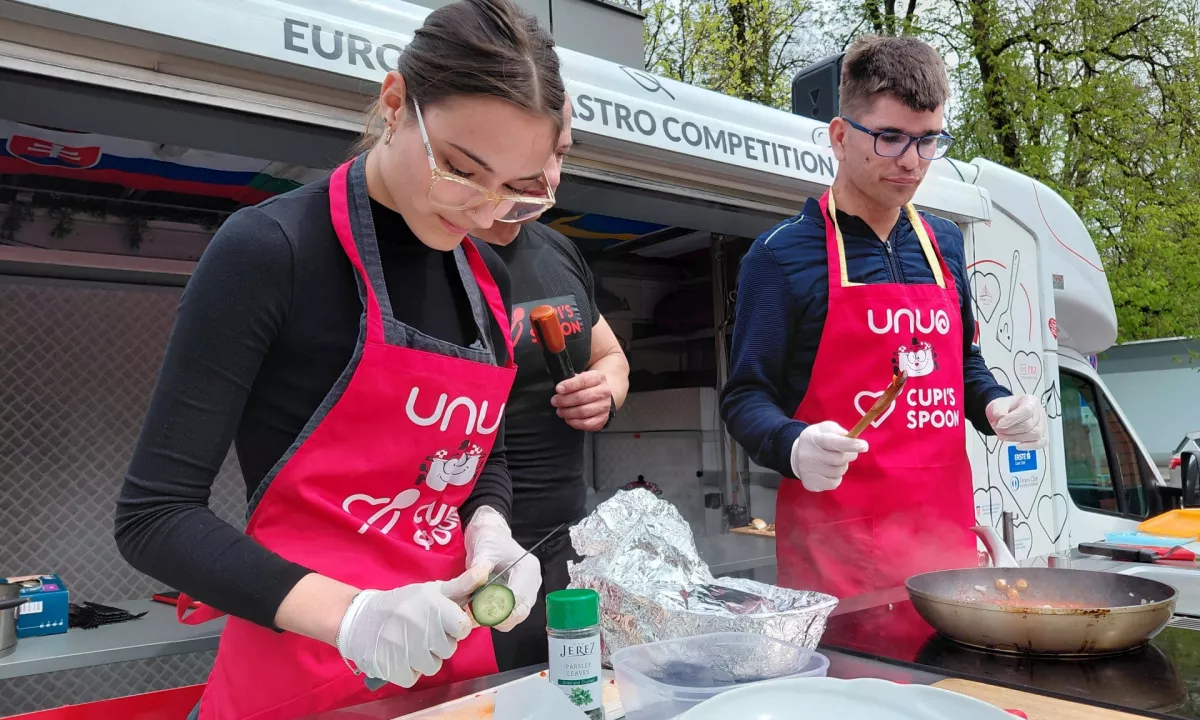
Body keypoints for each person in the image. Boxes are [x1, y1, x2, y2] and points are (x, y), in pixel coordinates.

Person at [114, 1, 565, 717]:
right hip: (301, 671)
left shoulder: (488, 281)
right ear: (395, 103)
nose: (482, 212)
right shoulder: (271, 251)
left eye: (517, 189)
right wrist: (357, 618)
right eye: (460, 169)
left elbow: (486, 460)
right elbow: (154, 515)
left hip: (451, 670)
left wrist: (489, 527)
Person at [720, 36, 1049, 618]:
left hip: (946, 545)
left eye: (929, 141)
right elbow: (746, 395)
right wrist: (791, 443)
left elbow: (961, 363)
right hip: (839, 561)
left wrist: (997, 406)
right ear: (841, 136)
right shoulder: (780, 256)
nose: (911, 161)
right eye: (891, 137)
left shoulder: (945, 244)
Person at [470, 95, 630, 670]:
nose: (549, 177)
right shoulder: (441, 252)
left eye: (559, 154)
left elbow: (611, 353)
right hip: (465, 555)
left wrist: (606, 389)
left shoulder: (559, 251)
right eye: (534, 155)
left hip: (561, 544)